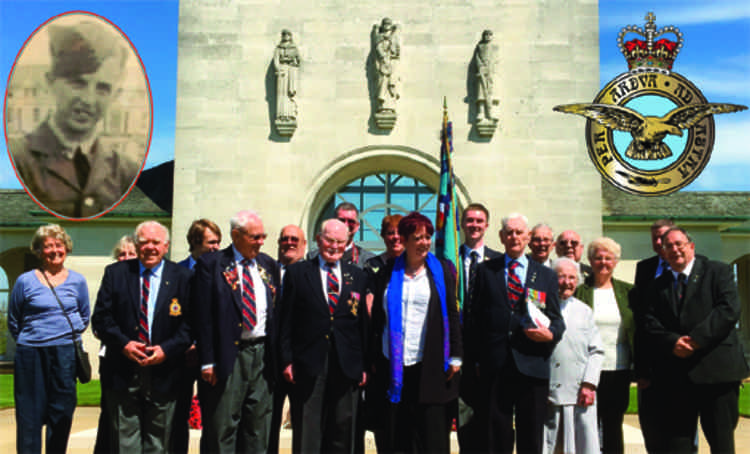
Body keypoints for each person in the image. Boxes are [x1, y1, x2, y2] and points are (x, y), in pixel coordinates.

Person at [8, 19, 141, 218]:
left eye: (102, 89)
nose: (88, 100)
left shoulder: (125, 171)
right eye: (78, 84)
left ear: (114, 95)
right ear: (51, 82)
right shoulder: (20, 159)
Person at [641, 227, 749, 454]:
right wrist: (672, 342)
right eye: (668, 246)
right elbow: (650, 322)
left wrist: (696, 340)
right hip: (677, 377)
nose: (674, 249)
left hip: (717, 374)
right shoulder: (657, 286)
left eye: (679, 244)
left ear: (691, 246)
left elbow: (728, 310)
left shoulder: (718, 272)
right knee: (677, 445)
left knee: (721, 443)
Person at [467, 213, 565, 454]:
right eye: (509, 232)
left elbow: (557, 320)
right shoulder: (484, 271)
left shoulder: (546, 276)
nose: (514, 237)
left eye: (519, 232)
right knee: (495, 433)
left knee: (531, 434)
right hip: (495, 365)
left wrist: (550, 334)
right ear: (501, 237)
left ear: (528, 237)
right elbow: (474, 320)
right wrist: (478, 359)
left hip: (532, 364)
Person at [92, 221, 192, 452]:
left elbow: (190, 325)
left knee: (159, 443)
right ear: (136, 245)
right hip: (123, 370)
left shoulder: (183, 277)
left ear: (166, 246)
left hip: (165, 372)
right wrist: (124, 344)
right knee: (125, 443)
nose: (150, 247)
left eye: (155, 242)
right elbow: (101, 319)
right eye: (144, 242)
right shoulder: (115, 274)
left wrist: (166, 349)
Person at [370, 212, 462, 453]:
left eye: (428, 237)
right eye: (418, 237)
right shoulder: (388, 272)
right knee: (398, 437)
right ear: (405, 240)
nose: (424, 242)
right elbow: (378, 320)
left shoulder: (441, 271)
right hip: (394, 367)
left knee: (431, 438)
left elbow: (452, 314)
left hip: (430, 366)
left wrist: (456, 355)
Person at [193, 210, 279, 453]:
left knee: (257, 428)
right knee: (222, 428)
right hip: (227, 356)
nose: (261, 242)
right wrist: (207, 360)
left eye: (263, 236)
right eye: (255, 237)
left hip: (262, 355)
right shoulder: (211, 264)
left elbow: (276, 312)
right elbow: (203, 317)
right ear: (235, 235)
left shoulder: (268, 265)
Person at [279, 219, 369, 453]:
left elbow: (362, 326)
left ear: (347, 243)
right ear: (319, 239)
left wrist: (365, 365)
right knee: (308, 430)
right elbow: (285, 319)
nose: (334, 246)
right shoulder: (298, 272)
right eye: (329, 240)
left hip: (346, 364)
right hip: (308, 363)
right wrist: (287, 359)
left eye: (340, 241)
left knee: (343, 429)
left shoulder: (357, 276)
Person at [8, 224, 90, 454]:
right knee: (29, 414)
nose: (55, 250)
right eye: (48, 246)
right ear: (38, 251)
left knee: (62, 411)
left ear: (66, 248)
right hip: (30, 353)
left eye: (59, 245)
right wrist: (33, 338)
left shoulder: (78, 281)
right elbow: (14, 319)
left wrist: (62, 334)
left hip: (65, 353)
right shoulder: (25, 281)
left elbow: (84, 316)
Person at [574, 237, 634, 454]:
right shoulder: (580, 292)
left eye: (608, 258)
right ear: (590, 260)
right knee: (588, 424)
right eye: (598, 258)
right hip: (588, 369)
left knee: (613, 423)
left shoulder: (629, 293)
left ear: (616, 261)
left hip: (619, 367)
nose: (603, 262)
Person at [543, 258, 603, 454]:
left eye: (572, 278)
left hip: (579, 394)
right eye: (561, 277)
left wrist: (589, 384)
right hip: (546, 393)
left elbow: (596, 351)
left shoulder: (584, 310)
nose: (567, 282)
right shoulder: (539, 306)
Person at [456, 203, 500, 453]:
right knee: (462, 416)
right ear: (462, 224)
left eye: (479, 221)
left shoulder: (497, 262)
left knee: (488, 416)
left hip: (488, 355)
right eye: (469, 220)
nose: (474, 225)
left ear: (487, 225)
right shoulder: (448, 261)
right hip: (456, 351)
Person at [628, 219, 675, 453]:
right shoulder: (644, 268)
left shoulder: (695, 269)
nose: (659, 242)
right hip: (651, 363)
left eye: (663, 236)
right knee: (652, 429)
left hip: (680, 360)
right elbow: (641, 317)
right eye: (654, 237)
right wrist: (641, 368)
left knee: (681, 431)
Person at [93, 234, 139, 454]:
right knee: (110, 414)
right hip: (113, 355)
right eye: (122, 254)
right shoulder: (111, 277)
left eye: (131, 253)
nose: (126, 257)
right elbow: (99, 318)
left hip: (140, 356)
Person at [269, 224, 307, 454]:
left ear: (304, 246)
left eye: (295, 239)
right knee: (267, 422)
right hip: (268, 362)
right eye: (285, 239)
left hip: (300, 362)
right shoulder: (265, 271)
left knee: (303, 424)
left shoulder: (311, 275)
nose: (289, 243)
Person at [309, 202, 375, 268]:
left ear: (357, 226)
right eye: (341, 220)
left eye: (351, 222)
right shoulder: (313, 257)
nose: (346, 225)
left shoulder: (368, 260)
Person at [373, 17, 400, 113]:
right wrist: (384, 58)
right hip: (383, 64)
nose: (387, 26)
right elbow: (378, 50)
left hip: (391, 63)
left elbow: (397, 51)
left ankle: (391, 106)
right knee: (383, 81)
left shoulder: (393, 37)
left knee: (391, 84)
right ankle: (382, 105)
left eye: (389, 24)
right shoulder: (379, 37)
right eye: (385, 24)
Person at [273, 29, 301, 123]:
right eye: (284, 35)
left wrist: (293, 62)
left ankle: (290, 114)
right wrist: (278, 69)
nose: (285, 36)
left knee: (289, 93)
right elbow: (276, 61)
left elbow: (298, 60)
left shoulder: (294, 48)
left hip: (291, 71)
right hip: (282, 72)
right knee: (281, 94)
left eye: (287, 35)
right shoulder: (278, 48)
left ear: (290, 36)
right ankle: (281, 115)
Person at [473, 30, 497, 122]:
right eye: (485, 35)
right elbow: (477, 58)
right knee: (481, 92)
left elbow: (495, 59)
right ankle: (481, 112)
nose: (487, 36)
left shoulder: (494, 47)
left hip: (490, 72)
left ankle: (491, 112)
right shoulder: (480, 47)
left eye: (489, 34)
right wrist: (480, 67)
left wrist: (490, 68)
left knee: (490, 92)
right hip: (482, 71)